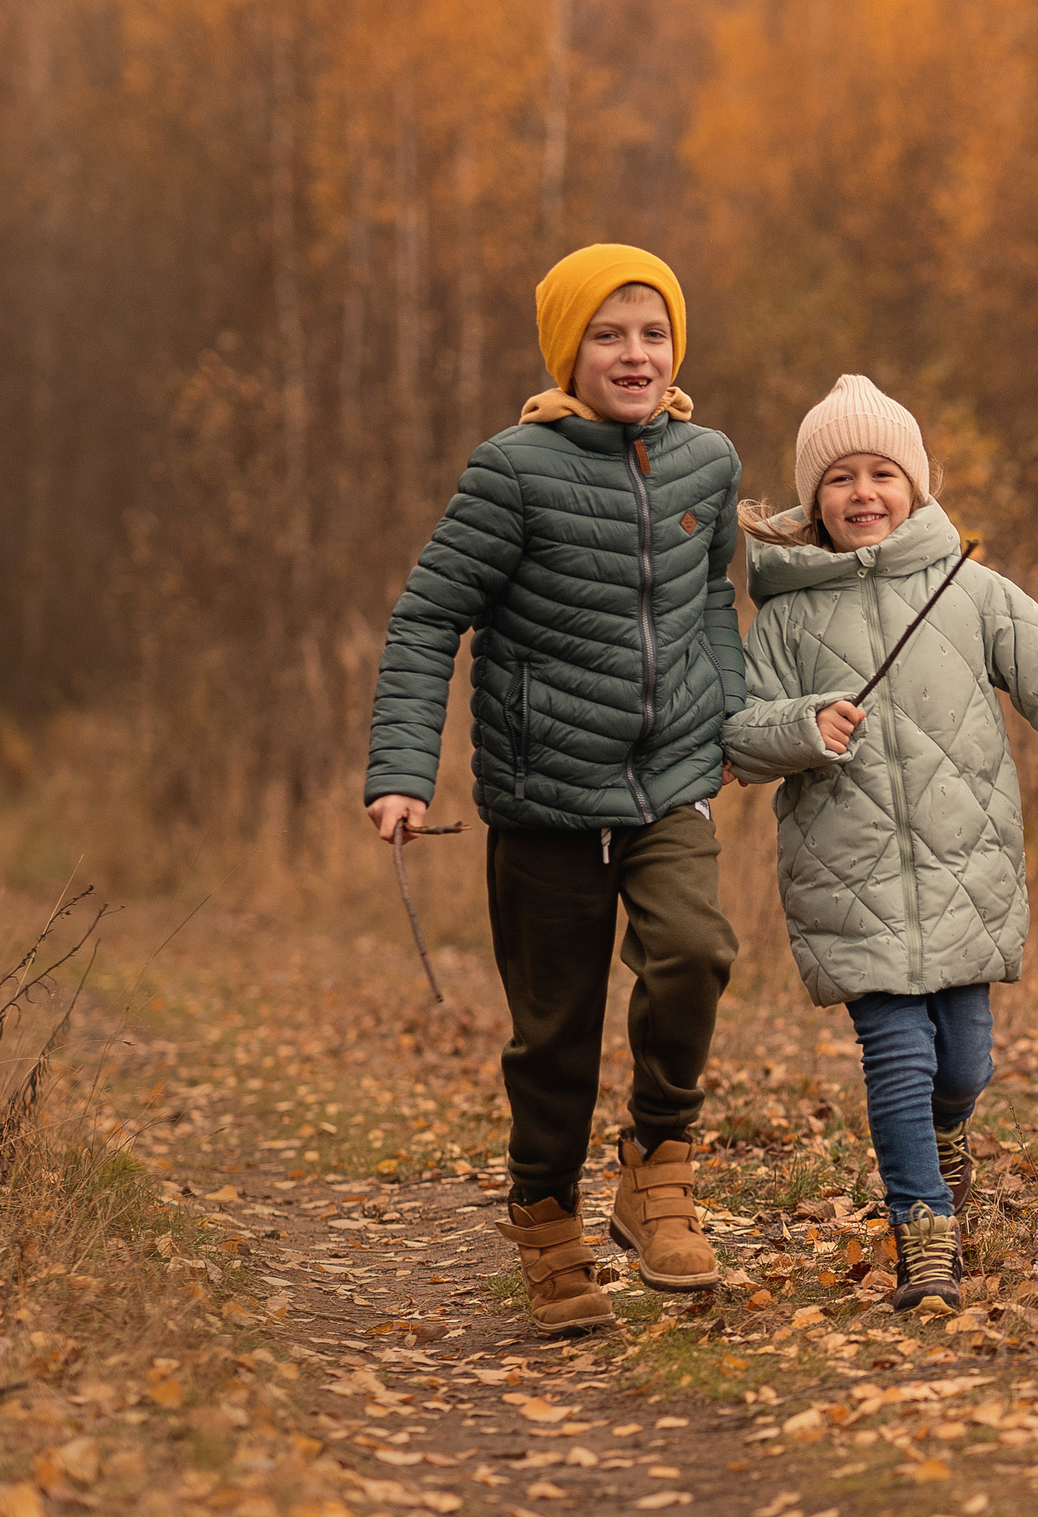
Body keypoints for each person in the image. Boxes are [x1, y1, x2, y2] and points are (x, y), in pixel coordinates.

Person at [722, 375, 1038, 1313]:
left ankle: (948, 1135)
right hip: (847, 885)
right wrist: (804, 726)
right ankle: (923, 1235)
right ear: (811, 500)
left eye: (883, 473)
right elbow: (734, 731)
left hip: (964, 876)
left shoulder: (971, 593)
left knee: (964, 1065)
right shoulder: (784, 618)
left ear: (918, 485)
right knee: (897, 1057)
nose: (863, 493)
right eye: (841, 478)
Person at [365, 243, 746, 1335]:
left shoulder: (705, 460)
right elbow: (426, 616)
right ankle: (546, 1227)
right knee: (555, 1036)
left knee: (694, 951)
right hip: (542, 799)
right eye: (609, 333)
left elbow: (711, 600)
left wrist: (723, 709)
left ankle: (656, 1167)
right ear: (568, 350)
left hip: (670, 780)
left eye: (653, 332)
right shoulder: (511, 470)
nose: (635, 353)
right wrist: (401, 769)